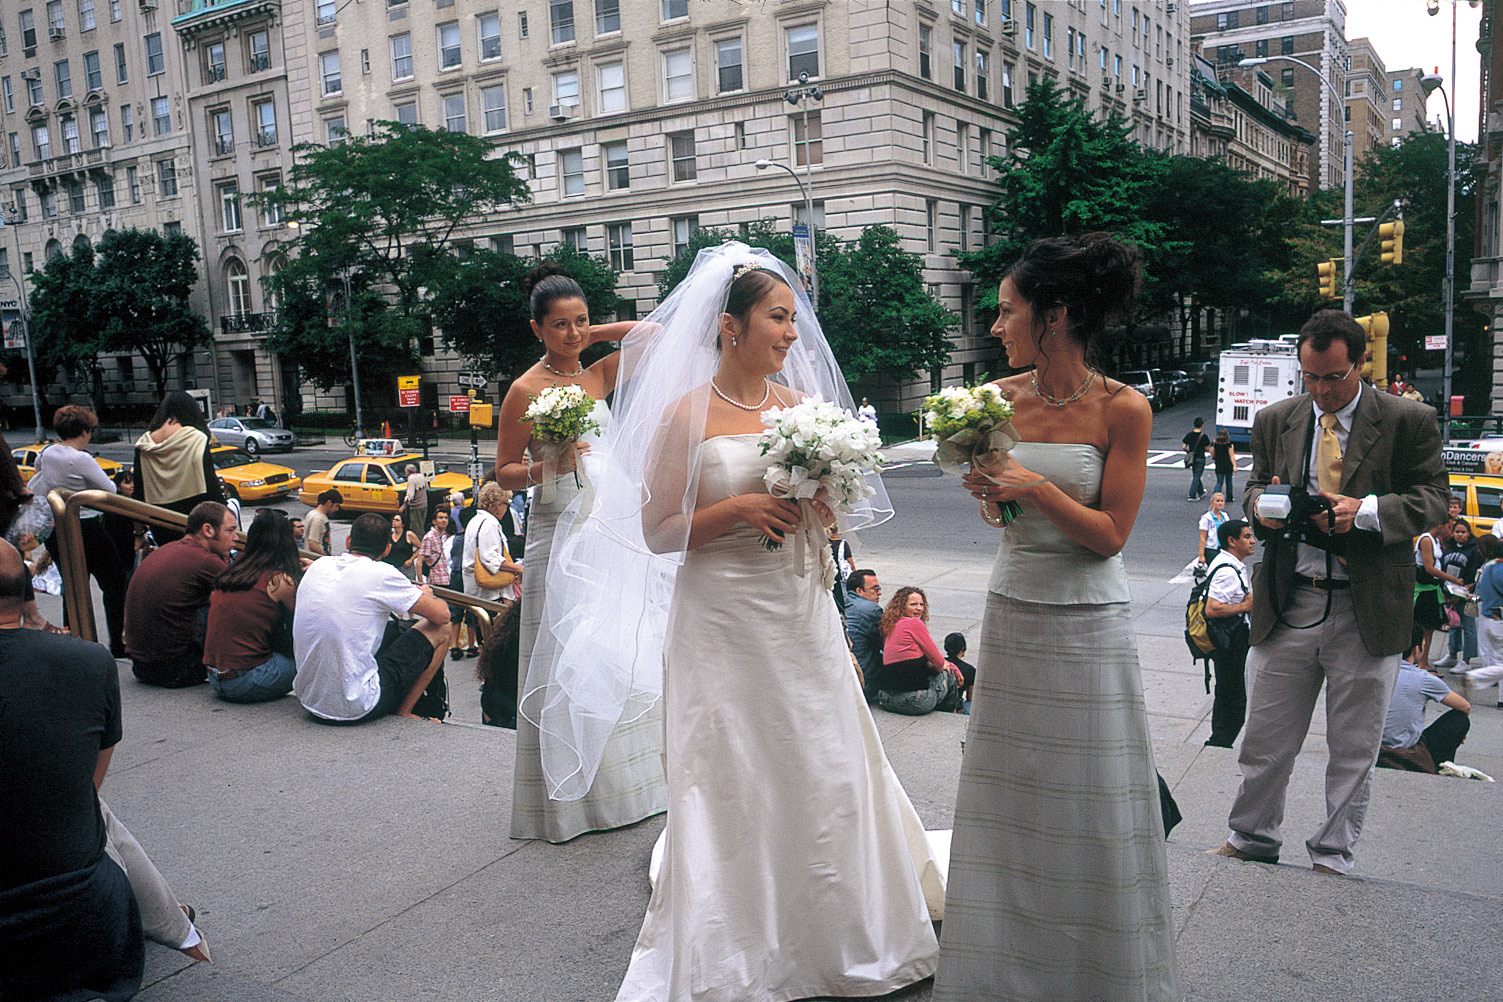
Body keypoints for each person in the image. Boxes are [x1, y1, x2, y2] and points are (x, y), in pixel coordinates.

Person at [553, 243, 938, 999]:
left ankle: (841, 925)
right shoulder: (683, 415)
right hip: (721, 615)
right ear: (731, 326)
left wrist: (823, 510)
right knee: (734, 765)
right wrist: (736, 508)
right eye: (777, 318)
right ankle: (742, 936)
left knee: (820, 756)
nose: (793, 334)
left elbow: (828, 516)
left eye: (794, 319)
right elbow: (658, 531)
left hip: (796, 607)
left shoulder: (799, 411)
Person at [937, 233, 1179, 999]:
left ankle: (1096, 973)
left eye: (1007, 311)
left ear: (1056, 315)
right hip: (1013, 606)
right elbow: (1000, 511)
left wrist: (1032, 487)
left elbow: (1110, 536)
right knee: (1010, 794)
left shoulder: (1124, 408)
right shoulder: (994, 401)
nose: (994, 325)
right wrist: (993, 500)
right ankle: (1002, 975)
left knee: (1091, 798)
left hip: (1087, 622)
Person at [1211, 308, 1448, 877]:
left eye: (1333, 377)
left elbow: (1435, 499)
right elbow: (1253, 488)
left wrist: (1365, 511)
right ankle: (1252, 836)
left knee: (1354, 746)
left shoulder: (1408, 420)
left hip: (1367, 607)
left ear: (1361, 362)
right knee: (1265, 738)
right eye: (1310, 377)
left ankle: (1332, 853)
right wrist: (1265, 508)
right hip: (1289, 600)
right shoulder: (1276, 419)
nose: (1321, 390)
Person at [492, 262, 657, 843]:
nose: (572, 333)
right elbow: (503, 473)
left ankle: (626, 791)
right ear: (536, 329)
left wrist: (595, 334)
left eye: (580, 321)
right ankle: (566, 805)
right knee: (560, 654)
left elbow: (654, 336)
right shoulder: (524, 390)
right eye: (559, 325)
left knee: (610, 650)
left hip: (604, 527)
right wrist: (549, 466)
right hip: (555, 526)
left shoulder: (595, 376)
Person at [291, 512, 451, 722]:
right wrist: (426, 594)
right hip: (357, 705)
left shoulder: (319, 565)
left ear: (348, 541)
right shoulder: (383, 573)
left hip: (310, 698)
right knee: (443, 629)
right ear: (387, 549)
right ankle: (405, 711)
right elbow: (442, 615)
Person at [30, 404, 130, 656]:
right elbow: (110, 490)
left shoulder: (47, 452)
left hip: (56, 527)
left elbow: (39, 474)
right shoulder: (81, 459)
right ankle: (119, 643)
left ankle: (74, 644)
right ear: (84, 432)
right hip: (86, 526)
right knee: (115, 584)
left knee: (73, 587)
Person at [123, 501, 238, 688]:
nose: (236, 538)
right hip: (177, 669)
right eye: (230, 531)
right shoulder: (206, 560)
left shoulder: (168, 549)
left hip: (141, 665)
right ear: (208, 530)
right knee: (233, 605)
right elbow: (244, 597)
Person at [203, 509, 301, 703]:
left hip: (215, 677)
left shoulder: (231, 574)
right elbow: (303, 620)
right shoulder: (279, 580)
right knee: (307, 661)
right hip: (248, 680)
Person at [134, 390, 225, 544]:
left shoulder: (144, 443)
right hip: (196, 518)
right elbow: (211, 483)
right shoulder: (196, 438)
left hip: (160, 520)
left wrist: (138, 532)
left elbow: (139, 491)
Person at [1377, 635, 1472, 773]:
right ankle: (1441, 766)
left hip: (1371, 743)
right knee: (1459, 720)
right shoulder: (1423, 678)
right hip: (1402, 748)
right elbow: (1465, 706)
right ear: (1416, 650)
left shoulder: (1377, 671)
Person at [1203, 519, 1256, 748]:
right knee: (1234, 696)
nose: (1252, 541)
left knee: (1227, 691)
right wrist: (1245, 606)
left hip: (1230, 638)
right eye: (1247, 537)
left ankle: (1220, 740)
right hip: (1231, 641)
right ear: (1232, 541)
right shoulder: (1227, 571)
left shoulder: (1229, 563)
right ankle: (1220, 742)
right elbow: (1212, 608)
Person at [874, 586, 963, 716]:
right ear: (902, 606)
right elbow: (939, 663)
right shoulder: (914, 624)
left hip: (886, 699)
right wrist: (953, 668)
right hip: (914, 703)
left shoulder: (891, 625)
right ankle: (952, 712)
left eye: (921, 604)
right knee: (947, 672)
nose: (919, 608)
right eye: (913, 604)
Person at [1414, 517, 1464, 671]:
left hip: (1433, 588)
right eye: (1449, 527)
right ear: (1440, 525)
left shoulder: (1437, 540)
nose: (1450, 532)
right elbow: (1429, 568)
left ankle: (1424, 659)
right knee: (1423, 627)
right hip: (1424, 589)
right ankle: (1420, 660)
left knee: (1430, 628)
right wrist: (1453, 579)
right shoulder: (1426, 540)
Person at [1459, 534, 1503, 708]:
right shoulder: (1500, 571)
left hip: (1488, 617)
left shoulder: (1488, 568)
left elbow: (1481, 593)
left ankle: (1501, 698)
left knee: (1499, 660)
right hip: (1499, 620)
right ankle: (1474, 677)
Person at [1435, 517, 1482, 671]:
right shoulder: (1449, 546)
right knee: (1454, 623)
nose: (1459, 535)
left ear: (1469, 533)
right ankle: (1452, 654)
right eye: (1457, 531)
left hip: (1468, 594)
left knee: (1468, 626)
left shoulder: (1474, 550)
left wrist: (1463, 591)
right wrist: (1447, 591)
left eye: (1463, 532)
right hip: (1449, 591)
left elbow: (1474, 573)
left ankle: (1467, 660)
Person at [844, 568, 884, 701]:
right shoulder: (871, 610)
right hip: (863, 679)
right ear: (859, 591)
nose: (879, 593)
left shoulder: (840, 602)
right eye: (875, 588)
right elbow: (888, 645)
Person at [381, 511, 421, 581]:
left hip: (405, 568)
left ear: (403, 524)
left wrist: (411, 559)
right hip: (391, 567)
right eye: (393, 519)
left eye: (397, 520)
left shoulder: (409, 534)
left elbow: (421, 548)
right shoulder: (389, 534)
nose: (394, 521)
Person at [417, 507, 451, 587]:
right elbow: (419, 562)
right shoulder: (429, 537)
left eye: (446, 518)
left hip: (445, 579)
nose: (444, 520)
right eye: (441, 518)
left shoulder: (443, 536)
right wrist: (421, 583)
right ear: (434, 521)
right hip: (435, 581)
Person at [944, 631, 976, 713]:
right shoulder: (970, 670)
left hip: (938, 701)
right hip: (955, 705)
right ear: (962, 649)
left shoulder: (941, 663)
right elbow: (970, 697)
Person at [1197, 491, 1230, 567]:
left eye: (1221, 501)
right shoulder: (1206, 518)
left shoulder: (1225, 516)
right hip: (1212, 549)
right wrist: (1201, 555)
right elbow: (1203, 538)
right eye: (1217, 501)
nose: (1220, 503)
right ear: (1212, 503)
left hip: (1224, 549)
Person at [303, 488, 341, 556]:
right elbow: (313, 543)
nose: (337, 509)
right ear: (329, 503)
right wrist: (327, 557)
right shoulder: (318, 519)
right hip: (317, 558)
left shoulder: (312, 513)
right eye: (336, 505)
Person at [1182, 416, 1211, 502]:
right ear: (1202, 425)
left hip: (1193, 459)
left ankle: (1201, 492)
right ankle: (1192, 495)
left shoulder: (1189, 435)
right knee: (1197, 476)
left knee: (1196, 475)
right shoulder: (1204, 436)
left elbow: (1184, 446)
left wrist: (1189, 451)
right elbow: (1207, 448)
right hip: (1200, 457)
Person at [828, 526, 854, 615]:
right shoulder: (843, 544)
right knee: (841, 594)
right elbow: (850, 561)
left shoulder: (826, 543)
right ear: (838, 531)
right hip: (840, 574)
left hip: (829, 571)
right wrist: (853, 571)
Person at [1211, 427, 1237, 502]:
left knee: (1219, 482)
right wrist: (1234, 465)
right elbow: (1231, 455)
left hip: (1219, 464)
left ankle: (1215, 497)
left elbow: (1212, 452)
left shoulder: (1215, 443)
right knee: (1229, 482)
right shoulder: (1229, 444)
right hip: (1228, 464)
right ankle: (1229, 497)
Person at [403, 464, 429, 536]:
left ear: (408, 471)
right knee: (421, 524)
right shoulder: (421, 476)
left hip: (416, 506)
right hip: (424, 504)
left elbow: (410, 495)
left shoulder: (411, 478)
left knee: (416, 527)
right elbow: (427, 487)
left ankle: (419, 541)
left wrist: (404, 505)